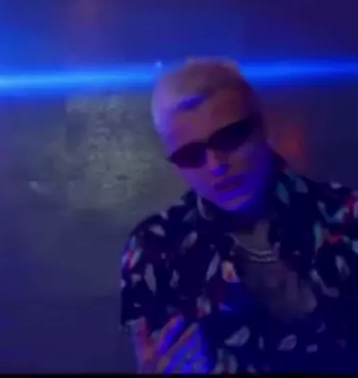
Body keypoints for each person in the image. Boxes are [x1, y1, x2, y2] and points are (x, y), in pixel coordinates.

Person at [120, 59, 358, 373]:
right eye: (191, 155)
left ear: (262, 126)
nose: (216, 165)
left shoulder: (347, 217)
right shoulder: (154, 247)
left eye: (230, 137)